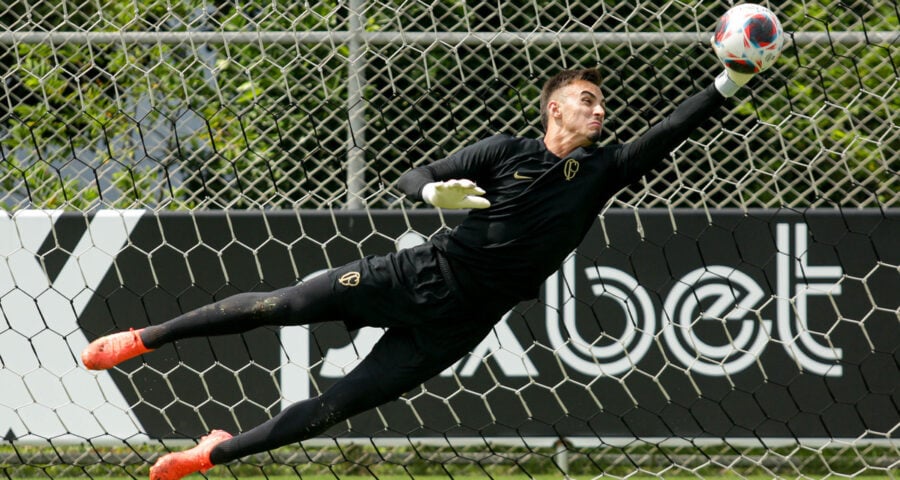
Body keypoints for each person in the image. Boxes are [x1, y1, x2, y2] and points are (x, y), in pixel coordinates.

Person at [81, 64, 755, 480]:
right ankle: (145, 339)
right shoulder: (506, 152)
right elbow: (418, 174)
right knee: (280, 305)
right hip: (414, 274)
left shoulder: (602, 171)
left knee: (334, 407)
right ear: (555, 107)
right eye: (586, 99)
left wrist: (731, 79)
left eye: (601, 104)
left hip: (456, 325)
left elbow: (670, 131)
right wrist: (436, 195)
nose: (599, 110)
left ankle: (209, 457)